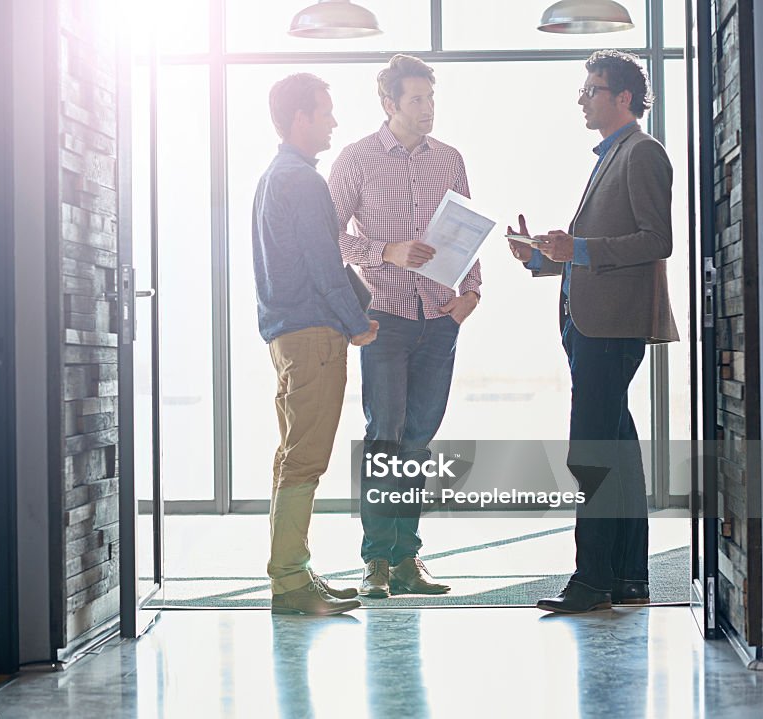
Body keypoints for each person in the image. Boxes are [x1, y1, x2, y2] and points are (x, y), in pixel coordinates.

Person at [507, 49, 679, 613]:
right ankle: (629, 576)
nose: (582, 98)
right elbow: (593, 251)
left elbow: (657, 241)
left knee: (592, 453)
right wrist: (542, 257)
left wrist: (576, 248)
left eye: (592, 89)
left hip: (610, 329)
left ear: (622, 96)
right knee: (618, 453)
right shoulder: (612, 156)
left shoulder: (642, 153)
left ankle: (592, 581)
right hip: (592, 326)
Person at [329, 54, 479, 598]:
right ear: (389, 103)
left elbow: (467, 229)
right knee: (385, 437)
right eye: (416, 99)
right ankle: (375, 563)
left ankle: (407, 561)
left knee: (418, 441)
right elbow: (329, 237)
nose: (427, 109)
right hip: (384, 317)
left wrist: (472, 293)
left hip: (440, 316)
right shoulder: (357, 159)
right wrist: (384, 250)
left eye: (431, 98)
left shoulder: (449, 159)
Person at [252, 73, 379, 616]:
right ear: (299, 117)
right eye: (325, 112)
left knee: (292, 457)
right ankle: (289, 582)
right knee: (305, 461)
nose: (333, 121)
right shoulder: (302, 182)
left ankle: (295, 572)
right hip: (313, 335)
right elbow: (325, 263)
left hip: (287, 333)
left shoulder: (275, 176)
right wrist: (357, 321)